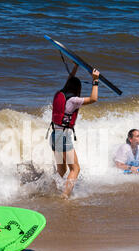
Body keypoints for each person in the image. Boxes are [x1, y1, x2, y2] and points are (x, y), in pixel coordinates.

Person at [48, 63, 100, 198]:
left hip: (54, 135)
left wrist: (75, 67)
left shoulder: (59, 94)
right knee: (75, 168)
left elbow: (69, 80)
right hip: (63, 136)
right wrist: (95, 80)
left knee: (62, 169)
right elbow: (94, 99)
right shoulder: (74, 100)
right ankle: (64, 196)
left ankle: (52, 190)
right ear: (77, 88)